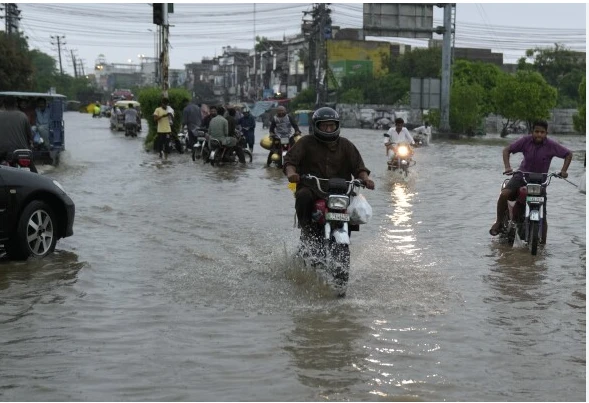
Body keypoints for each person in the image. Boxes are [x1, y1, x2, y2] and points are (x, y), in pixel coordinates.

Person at [283, 107, 375, 244]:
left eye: (331, 125)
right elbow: (290, 162)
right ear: (316, 126)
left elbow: (359, 167)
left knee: (352, 208)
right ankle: (307, 229)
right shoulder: (305, 142)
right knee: (303, 195)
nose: (328, 129)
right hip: (312, 188)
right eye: (324, 125)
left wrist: (366, 179)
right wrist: (292, 174)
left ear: (337, 126)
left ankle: (346, 231)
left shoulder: (346, 145)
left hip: (340, 191)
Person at [489, 119, 572, 243]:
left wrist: (564, 171)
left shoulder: (551, 145)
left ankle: (543, 244)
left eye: (542, 132)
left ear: (546, 133)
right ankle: (498, 222)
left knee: (542, 213)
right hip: (521, 177)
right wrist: (507, 167)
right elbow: (507, 150)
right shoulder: (525, 141)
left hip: (539, 181)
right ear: (532, 132)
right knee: (504, 194)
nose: (539, 134)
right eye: (537, 131)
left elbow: (568, 154)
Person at [0, 96, 37, 172]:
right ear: (16, 104)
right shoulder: (23, 116)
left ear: (3, 105)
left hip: (2, 151)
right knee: (34, 172)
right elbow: (30, 136)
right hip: (21, 151)